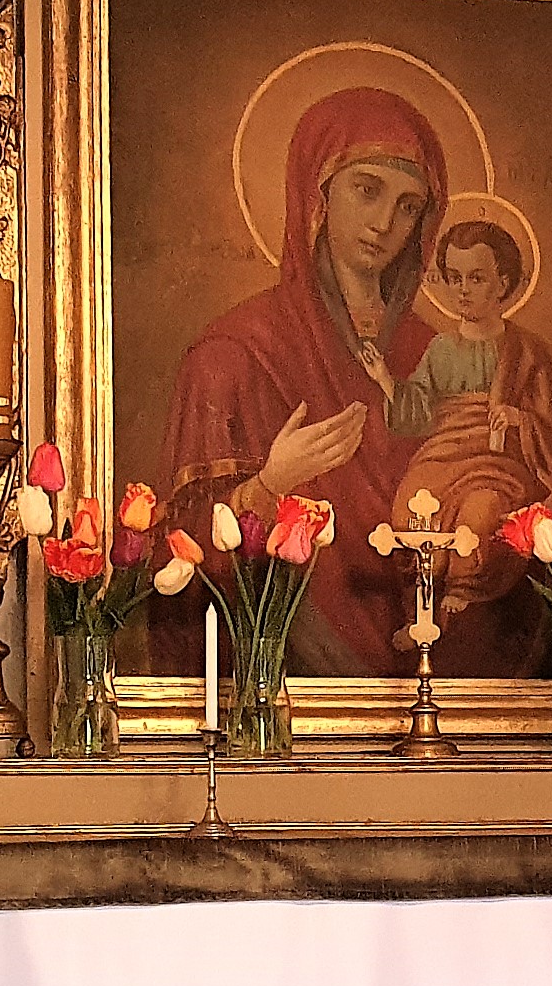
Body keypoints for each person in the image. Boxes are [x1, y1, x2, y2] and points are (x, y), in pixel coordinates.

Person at [155, 86, 444, 676]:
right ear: (317, 193)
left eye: (409, 206)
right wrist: (270, 484)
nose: (384, 223)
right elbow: (177, 562)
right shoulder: (234, 354)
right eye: (367, 190)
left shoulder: (435, 354)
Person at [389, 222, 552, 643]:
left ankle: (461, 595)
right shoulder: (440, 348)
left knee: (478, 516)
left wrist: (518, 419)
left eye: (476, 278)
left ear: (503, 284)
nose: (462, 290)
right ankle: (423, 608)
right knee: (411, 512)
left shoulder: (528, 352)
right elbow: (416, 408)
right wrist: (386, 383)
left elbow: (550, 426)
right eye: (453, 278)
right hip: (442, 456)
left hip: (500, 464)